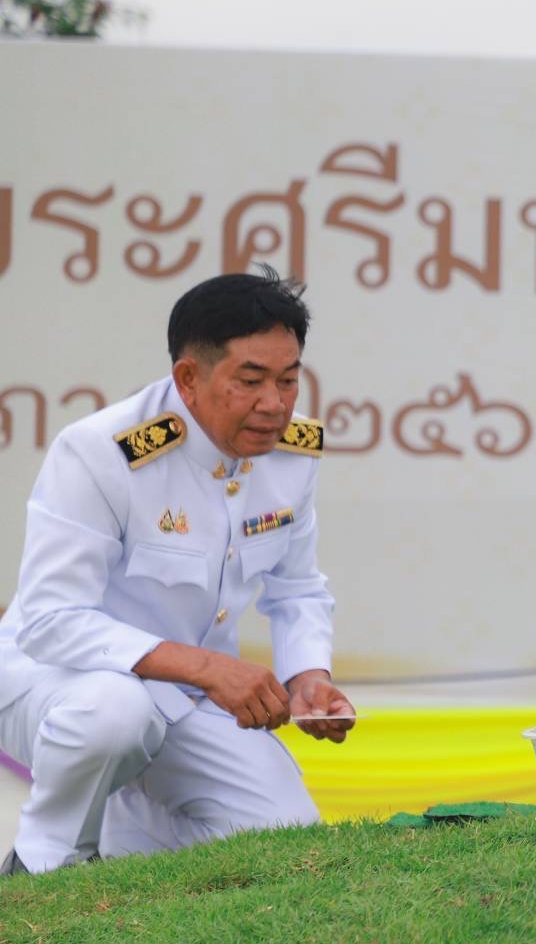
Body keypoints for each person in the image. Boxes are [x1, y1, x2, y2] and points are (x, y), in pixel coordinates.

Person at [0, 268, 355, 876]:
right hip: (54, 684)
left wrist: (308, 678)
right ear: (188, 379)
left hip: (184, 698)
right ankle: (42, 868)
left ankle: (122, 860)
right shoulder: (100, 451)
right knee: (116, 713)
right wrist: (211, 667)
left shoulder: (292, 456)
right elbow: (50, 623)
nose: (274, 404)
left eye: (289, 380)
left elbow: (296, 588)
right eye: (251, 380)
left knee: (283, 843)